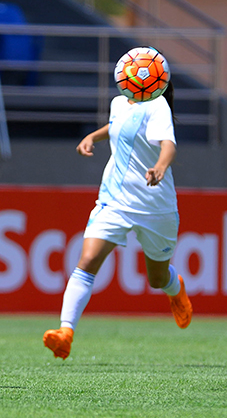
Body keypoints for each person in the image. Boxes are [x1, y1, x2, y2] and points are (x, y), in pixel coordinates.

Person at [43, 74, 192, 360]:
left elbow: (168, 145)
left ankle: (177, 288)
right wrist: (92, 136)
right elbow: (117, 126)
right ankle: (65, 332)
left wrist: (160, 167)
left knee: (157, 279)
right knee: (86, 262)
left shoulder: (158, 105)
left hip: (155, 205)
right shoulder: (118, 102)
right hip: (114, 201)